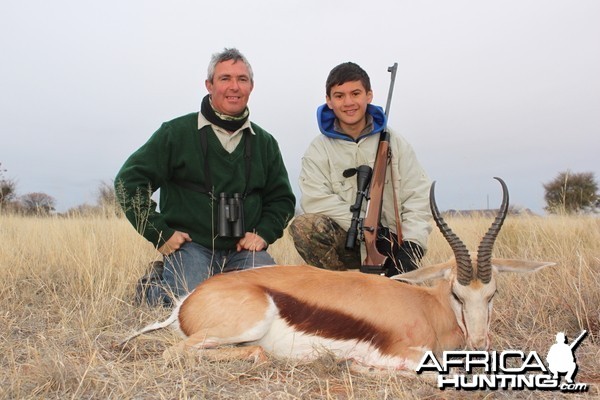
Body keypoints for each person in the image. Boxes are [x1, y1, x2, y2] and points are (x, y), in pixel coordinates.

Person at [115, 48, 296, 306]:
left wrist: (264, 233)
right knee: (189, 304)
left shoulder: (265, 142)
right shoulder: (175, 133)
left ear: (251, 87)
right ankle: (152, 288)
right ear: (209, 85)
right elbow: (128, 182)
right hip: (192, 247)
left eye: (242, 79)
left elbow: (282, 200)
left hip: (243, 251)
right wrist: (160, 234)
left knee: (272, 301)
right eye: (225, 79)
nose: (234, 87)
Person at [290, 62, 431, 276]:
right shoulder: (318, 149)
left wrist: (412, 248)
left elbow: (417, 196)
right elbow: (314, 199)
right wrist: (366, 227)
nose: (348, 102)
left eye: (355, 93)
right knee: (304, 226)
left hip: (393, 246)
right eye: (339, 96)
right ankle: (341, 292)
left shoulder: (395, 142)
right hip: (348, 242)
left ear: (369, 95)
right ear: (329, 100)